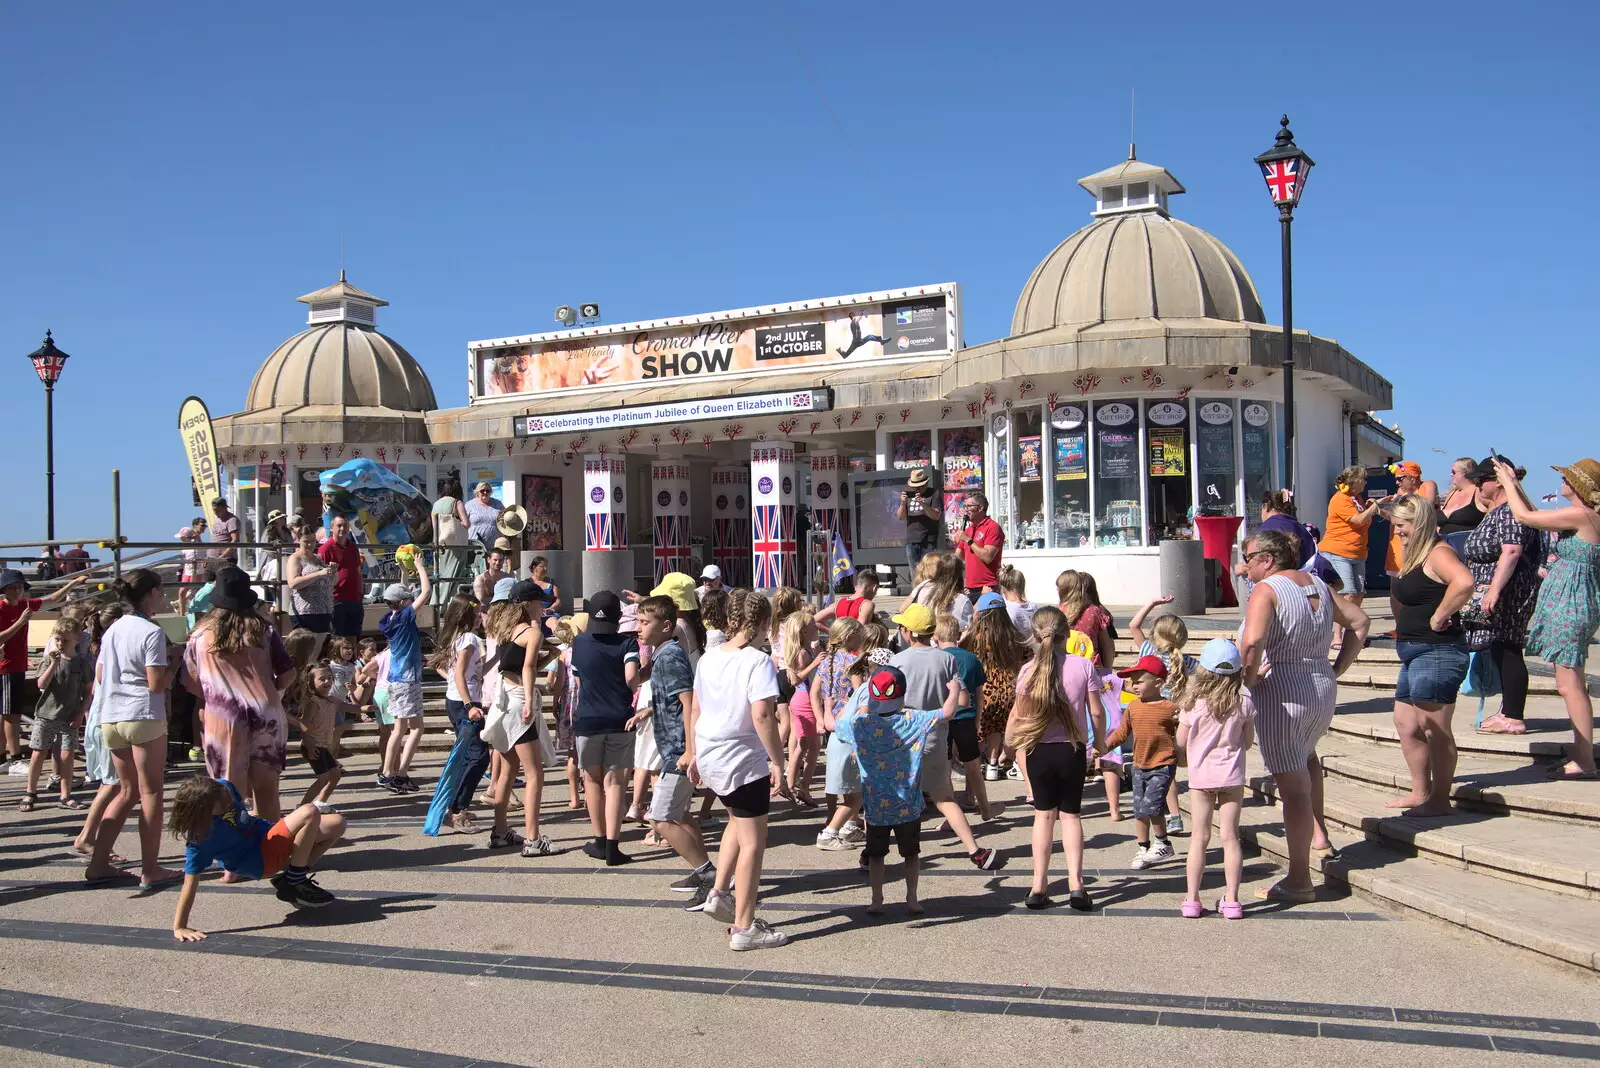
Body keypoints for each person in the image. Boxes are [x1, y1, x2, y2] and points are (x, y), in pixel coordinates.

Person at [1239, 530, 1369, 903]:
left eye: (1248, 557)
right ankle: (1319, 836)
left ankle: (1298, 878)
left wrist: (1245, 684)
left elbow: (1252, 642)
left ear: (1266, 558)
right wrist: (1338, 667)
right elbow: (1360, 622)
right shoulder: (1316, 583)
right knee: (1307, 760)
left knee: (1292, 789)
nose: (1245, 566)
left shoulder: (1267, 591)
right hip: (1320, 683)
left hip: (1283, 686)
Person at [686, 589, 793, 949]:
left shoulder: (709, 658)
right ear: (765, 623)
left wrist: (694, 752)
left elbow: (696, 709)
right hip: (740, 757)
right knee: (754, 843)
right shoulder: (758, 662)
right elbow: (762, 716)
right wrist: (778, 761)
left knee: (735, 819)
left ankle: (719, 892)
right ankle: (744, 927)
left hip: (713, 752)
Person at [1496, 457, 1600, 779]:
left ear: (1580, 486)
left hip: (1571, 603)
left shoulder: (1582, 514)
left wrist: (1509, 484)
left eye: (1568, 477)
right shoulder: (1583, 515)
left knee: (1571, 686)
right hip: (1574, 600)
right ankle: (1582, 755)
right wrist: (1516, 485)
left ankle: (1584, 759)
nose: (1562, 481)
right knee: (1570, 683)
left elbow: (1525, 517)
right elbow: (1536, 515)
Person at [84, 569, 185, 889]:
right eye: (162, 590)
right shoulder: (150, 631)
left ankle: (98, 863)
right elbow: (157, 684)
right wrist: (176, 663)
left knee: (125, 792)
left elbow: (100, 675)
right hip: (142, 714)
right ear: (152, 592)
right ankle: (151, 868)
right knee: (151, 792)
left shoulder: (113, 629)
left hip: (111, 717)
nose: (165, 595)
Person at [836, 665, 962, 916]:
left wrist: (833, 704)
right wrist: (954, 689)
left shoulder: (861, 724)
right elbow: (948, 712)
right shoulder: (914, 720)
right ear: (903, 696)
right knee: (911, 854)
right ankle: (912, 898)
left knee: (876, 856)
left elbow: (833, 724)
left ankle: (877, 899)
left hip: (874, 809)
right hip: (908, 807)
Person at [888, 602, 1004, 870]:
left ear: (908, 632)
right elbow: (963, 698)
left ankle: (875, 854)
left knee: (897, 798)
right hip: (934, 738)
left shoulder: (898, 661)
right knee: (944, 799)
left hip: (902, 738)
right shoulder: (947, 659)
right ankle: (975, 851)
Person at [1006, 605, 1103, 911]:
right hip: (1071, 749)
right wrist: (1098, 742)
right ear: (1067, 634)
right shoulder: (1083, 666)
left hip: (1039, 749)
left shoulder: (1028, 670)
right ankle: (1076, 884)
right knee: (1071, 816)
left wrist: (1013, 744)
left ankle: (1038, 886)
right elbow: (1097, 711)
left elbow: (1020, 715)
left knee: (1043, 816)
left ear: (1034, 635)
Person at [168, 776, 346, 941]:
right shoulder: (200, 839)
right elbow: (189, 885)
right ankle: (295, 881)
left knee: (338, 824)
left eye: (227, 797)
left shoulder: (224, 787)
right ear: (203, 812)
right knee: (309, 812)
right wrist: (180, 926)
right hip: (260, 861)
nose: (229, 802)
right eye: (222, 805)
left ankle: (291, 878)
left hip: (268, 837)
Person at [182, 566, 294, 824]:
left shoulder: (199, 636)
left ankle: (233, 853)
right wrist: (268, 687)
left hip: (224, 717)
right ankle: (268, 849)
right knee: (266, 790)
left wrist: (215, 693)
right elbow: (288, 674)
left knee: (227, 792)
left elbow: (189, 682)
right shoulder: (263, 631)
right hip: (266, 711)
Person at [1385, 494, 1474, 813]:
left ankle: (1439, 799)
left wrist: (1439, 616)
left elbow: (1464, 582)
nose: (1396, 532)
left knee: (1432, 727)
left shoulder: (1438, 552)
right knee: (1406, 724)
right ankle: (1420, 792)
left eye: (1400, 526)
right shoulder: (1415, 554)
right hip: (1414, 651)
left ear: (1418, 523)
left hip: (1437, 650)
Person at [1459, 457, 1543, 737]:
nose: (1478, 485)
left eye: (1482, 480)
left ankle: (1513, 715)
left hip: (1506, 590)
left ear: (1497, 481)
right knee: (1500, 647)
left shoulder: (1509, 511)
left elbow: (1511, 550)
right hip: (1494, 588)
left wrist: (1494, 590)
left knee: (1507, 647)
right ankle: (1508, 711)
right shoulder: (1500, 508)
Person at [635, 596, 713, 892]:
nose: (639, 628)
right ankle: (704, 870)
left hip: (678, 750)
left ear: (666, 626)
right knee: (680, 814)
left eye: (645, 623)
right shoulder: (661, 653)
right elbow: (671, 699)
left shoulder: (668, 656)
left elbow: (688, 700)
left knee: (659, 818)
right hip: (673, 747)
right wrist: (649, 709)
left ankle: (706, 871)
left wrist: (690, 751)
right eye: (639, 622)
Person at [1175, 638, 1255, 919]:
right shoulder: (1243, 700)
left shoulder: (1193, 703)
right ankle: (1232, 900)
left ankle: (1192, 899)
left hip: (1201, 777)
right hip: (1232, 776)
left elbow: (1181, 741)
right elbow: (1247, 742)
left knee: (1199, 838)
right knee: (1230, 838)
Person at [482, 580, 555, 855]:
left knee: (508, 770)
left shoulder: (507, 631)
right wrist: (528, 703)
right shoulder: (533, 633)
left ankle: (500, 832)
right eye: (540, 602)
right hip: (518, 703)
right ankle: (533, 839)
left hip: (504, 704)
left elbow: (514, 666)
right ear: (529, 604)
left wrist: (549, 659)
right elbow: (526, 669)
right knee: (535, 773)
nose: (543, 607)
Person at [571, 590, 640, 864]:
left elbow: (577, 682)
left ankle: (598, 841)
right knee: (615, 784)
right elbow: (631, 677)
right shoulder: (627, 644)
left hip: (587, 719)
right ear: (618, 617)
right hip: (619, 719)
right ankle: (613, 846)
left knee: (591, 780)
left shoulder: (580, 642)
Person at [1, 567, 87, 768]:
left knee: (9, 713)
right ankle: (14, 758)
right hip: (6, 666)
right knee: (11, 714)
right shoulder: (3, 608)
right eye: (12, 588)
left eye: (20, 587)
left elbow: (52, 599)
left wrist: (72, 583)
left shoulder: (25, 604)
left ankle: (5, 758)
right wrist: (21, 622)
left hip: (18, 665)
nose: (17, 591)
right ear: (4, 589)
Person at [1097, 655, 1178, 869]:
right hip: (1139, 765)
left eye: (1139, 681)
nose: (1134, 686)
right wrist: (1103, 747)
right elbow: (1122, 733)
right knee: (1140, 809)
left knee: (1152, 806)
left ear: (1158, 683)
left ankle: (1163, 843)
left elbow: (1186, 731)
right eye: (1132, 682)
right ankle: (1143, 847)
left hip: (1163, 763)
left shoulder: (1170, 708)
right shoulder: (1133, 707)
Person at [21, 613, 92, 812]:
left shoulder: (81, 664)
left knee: (67, 755)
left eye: (65, 640)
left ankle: (65, 795)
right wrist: (53, 664)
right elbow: (40, 683)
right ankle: (30, 792)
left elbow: (88, 692)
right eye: (58, 639)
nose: (60, 644)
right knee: (38, 752)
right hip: (46, 714)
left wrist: (80, 714)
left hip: (69, 716)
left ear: (76, 639)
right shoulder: (49, 659)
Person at [432, 594, 489, 833]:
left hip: (457, 700)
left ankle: (454, 806)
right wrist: (469, 705)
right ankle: (457, 809)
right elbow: (459, 674)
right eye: (476, 614)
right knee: (478, 757)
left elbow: (460, 671)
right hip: (464, 703)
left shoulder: (461, 637)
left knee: (469, 756)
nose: (480, 618)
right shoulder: (467, 638)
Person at [813, 618, 868, 849]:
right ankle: (832, 832)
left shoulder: (825, 662)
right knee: (856, 789)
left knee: (844, 782)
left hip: (831, 726)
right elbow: (858, 694)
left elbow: (814, 691)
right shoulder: (853, 662)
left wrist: (820, 717)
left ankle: (849, 827)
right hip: (848, 727)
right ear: (849, 637)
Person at [964, 591, 1031, 781]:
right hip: (1009, 691)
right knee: (997, 729)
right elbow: (1028, 658)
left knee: (980, 731)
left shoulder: (976, 637)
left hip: (984, 690)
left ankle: (976, 769)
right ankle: (993, 764)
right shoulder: (1015, 636)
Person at [377, 561, 432, 793]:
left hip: (396, 679)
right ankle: (397, 774)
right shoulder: (404, 617)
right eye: (408, 599)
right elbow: (427, 592)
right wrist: (419, 567)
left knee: (399, 729)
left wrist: (403, 571)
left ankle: (388, 773)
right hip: (407, 679)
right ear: (402, 603)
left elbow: (403, 592)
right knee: (416, 729)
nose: (412, 600)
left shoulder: (390, 618)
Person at [934, 611, 994, 819]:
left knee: (945, 767)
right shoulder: (971, 658)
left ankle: (952, 814)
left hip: (942, 718)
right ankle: (984, 807)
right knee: (973, 765)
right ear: (958, 634)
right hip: (965, 717)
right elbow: (979, 694)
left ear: (936, 636)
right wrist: (978, 719)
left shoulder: (937, 658)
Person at [1317, 466, 1389, 613]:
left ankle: (1352, 632)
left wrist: (1369, 507)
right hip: (1338, 552)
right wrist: (1374, 506)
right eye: (1365, 479)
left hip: (1358, 553)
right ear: (1355, 481)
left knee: (1359, 594)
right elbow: (1358, 520)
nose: (1366, 483)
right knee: (1347, 594)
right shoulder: (1340, 499)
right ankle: (1338, 634)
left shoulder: (1357, 499)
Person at [289, 663, 360, 810]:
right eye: (322, 679)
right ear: (311, 682)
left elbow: (350, 707)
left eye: (329, 678)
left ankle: (320, 802)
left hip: (323, 745)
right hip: (313, 745)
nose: (327, 681)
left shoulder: (332, 700)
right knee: (324, 778)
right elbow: (304, 726)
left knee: (335, 775)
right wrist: (308, 745)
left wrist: (367, 708)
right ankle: (302, 807)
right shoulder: (313, 703)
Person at [317, 515, 366, 639]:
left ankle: (352, 659)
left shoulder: (353, 547)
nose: (342, 528)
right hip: (336, 598)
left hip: (355, 598)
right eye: (339, 525)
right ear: (331, 527)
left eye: (345, 525)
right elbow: (320, 574)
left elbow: (357, 570)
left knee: (354, 636)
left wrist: (361, 593)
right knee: (337, 638)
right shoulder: (325, 548)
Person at [285, 528, 337, 639]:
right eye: (306, 541)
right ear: (299, 540)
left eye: (313, 540)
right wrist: (319, 574)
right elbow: (293, 583)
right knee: (305, 650)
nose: (310, 544)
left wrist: (332, 571)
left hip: (324, 610)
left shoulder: (318, 558)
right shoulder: (295, 558)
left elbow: (333, 582)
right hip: (304, 612)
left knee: (317, 650)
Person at [1057, 570, 1114, 668]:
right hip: (1091, 667)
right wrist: (1108, 671)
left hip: (1063, 667)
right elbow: (1107, 647)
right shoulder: (1094, 611)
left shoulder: (1056, 612)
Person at [951, 491, 1003, 598]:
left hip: (988, 586)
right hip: (969, 587)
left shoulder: (992, 527)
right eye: (965, 506)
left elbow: (988, 557)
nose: (966, 510)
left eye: (969, 506)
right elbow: (957, 557)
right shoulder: (969, 530)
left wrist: (969, 540)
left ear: (980, 508)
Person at [431, 477, 472, 606]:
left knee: (441, 575)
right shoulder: (457, 503)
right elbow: (466, 524)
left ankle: (436, 603)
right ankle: (449, 604)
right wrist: (457, 522)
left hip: (441, 545)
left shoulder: (436, 504)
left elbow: (434, 526)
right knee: (454, 576)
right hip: (457, 545)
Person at [908, 551, 973, 631]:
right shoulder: (962, 600)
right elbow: (967, 629)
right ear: (960, 574)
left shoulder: (923, 589)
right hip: (949, 640)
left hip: (925, 638)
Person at [897, 467, 942, 574]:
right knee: (915, 574)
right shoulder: (907, 494)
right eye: (914, 487)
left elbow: (936, 515)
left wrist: (923, 503)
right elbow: (900, 516)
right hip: (911, 540)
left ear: (925, 484)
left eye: (919, 487)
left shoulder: (933, 493)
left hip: (928, 540)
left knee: (929, 573)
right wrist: (903, 503)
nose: (917, 490)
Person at [1438, 456, 1486, 541]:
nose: (1451, 474)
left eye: (1454, 472)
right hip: (1444, 543)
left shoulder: (1479, 492)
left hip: (1464, 544)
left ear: (1466, 473)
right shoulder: (1452, 494)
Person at [813, 569, 878, 626]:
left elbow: (813, 621)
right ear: (874, 588)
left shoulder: (838, 603)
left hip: (838, 639)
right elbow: (861, 628)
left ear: (856, 587)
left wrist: (833, 633)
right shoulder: (867, 604)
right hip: (857, 640)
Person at [996, 565, 1039, 636]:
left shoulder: (1005, 608)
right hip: (1033, 645)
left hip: (1014, 646)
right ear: (1023, 585)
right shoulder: (1034, 606)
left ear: (1003, 587)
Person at [464, 481, 505, 551]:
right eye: (482, 491)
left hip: (494, 546)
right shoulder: (469, 505)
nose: (485, 493)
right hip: (475, 546)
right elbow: (464, 524)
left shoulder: (498, 504)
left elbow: (505, 520)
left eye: (487, 491)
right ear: (477, 492)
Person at [528, 555, 562, 629]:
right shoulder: (528, 583)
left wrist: (551, 609)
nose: (545, 569)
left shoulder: (551, 582)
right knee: (535, 624)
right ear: (534, 567)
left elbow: (557, 600)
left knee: (554, 622)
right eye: (542, 566)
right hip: (533, 615)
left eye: (546, 566)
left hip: (548, 614)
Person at [208, 498, 240, 562]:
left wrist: (222, 557)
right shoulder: (217, 520)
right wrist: (207, 557)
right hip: (211, 558)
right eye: (214, 510)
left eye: (218, 510)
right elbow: (214, 538)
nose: (216, 513)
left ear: (225, 508)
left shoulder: (232, 520)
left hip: (225, 559)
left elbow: (235, 540)